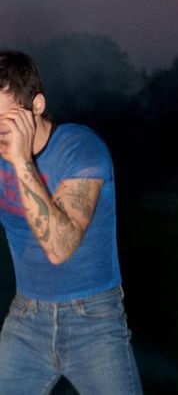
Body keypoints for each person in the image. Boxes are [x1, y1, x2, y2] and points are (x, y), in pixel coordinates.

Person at [0, 50, 143, 394]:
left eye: (3, 118)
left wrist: (21, 162)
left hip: (94, 318)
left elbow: (60, 247)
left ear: (35, 106)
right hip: (26, 317)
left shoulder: (81, 147)